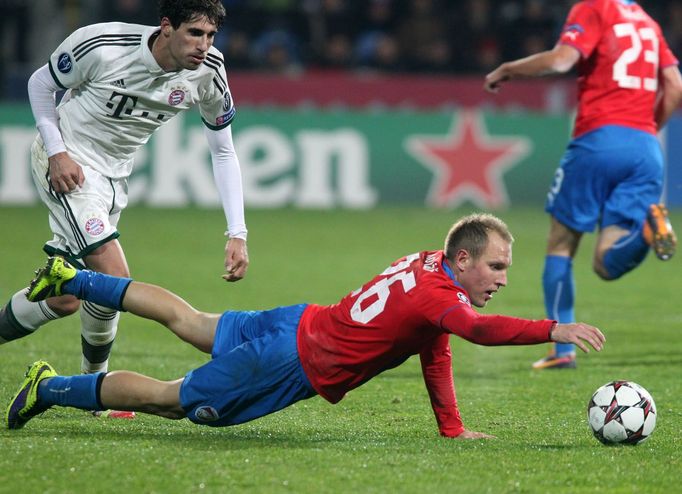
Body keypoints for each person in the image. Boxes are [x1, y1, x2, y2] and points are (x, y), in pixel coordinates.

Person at [6, 214, 606, 437]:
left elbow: (437, 349)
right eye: (497, 266)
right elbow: (474, 332)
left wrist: (451, 428)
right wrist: (553, 328)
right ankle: (48, 387)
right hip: (290, 362)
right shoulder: (440, 298)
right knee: (173, 401)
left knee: (187, 319)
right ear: (465, 260)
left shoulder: (427, 267)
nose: (502, 277)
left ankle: (73, 278)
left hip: (300, 320)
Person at [0, 0, 249, 417]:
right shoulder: (103, 44)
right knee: (115, 278)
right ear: (166, 27)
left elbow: (223, 151)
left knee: (67, 298)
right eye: (194, 33)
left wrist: (237, 232)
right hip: (68, 163)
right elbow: (41, 85)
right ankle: (96, 392)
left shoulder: (210, 72)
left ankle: (91, 384)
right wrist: (58, 151)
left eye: (210, 36)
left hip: (114, 180)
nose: (203, 46)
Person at [484, 0, 682, 369]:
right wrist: (647, 130)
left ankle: (563, 352)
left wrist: (509, 68)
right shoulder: (647, 21)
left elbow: (562, 60)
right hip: (645, 148)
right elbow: (674, 83)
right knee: (606, 263)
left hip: (598, 140)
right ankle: (646, 232)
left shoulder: (592, 7)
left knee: (560, 245)